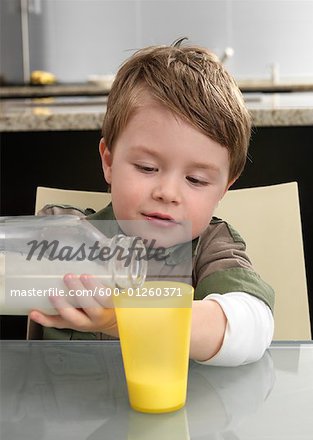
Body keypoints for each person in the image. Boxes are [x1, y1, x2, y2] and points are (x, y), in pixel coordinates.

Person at [29, 39, 274, 366]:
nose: (168, 192)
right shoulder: (61, 232)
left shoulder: (212, 248)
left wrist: (125, 318)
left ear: (223, 188)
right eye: (147, 168)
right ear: (109, 162)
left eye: (196, 180)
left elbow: (251, 327)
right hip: (68, 414)